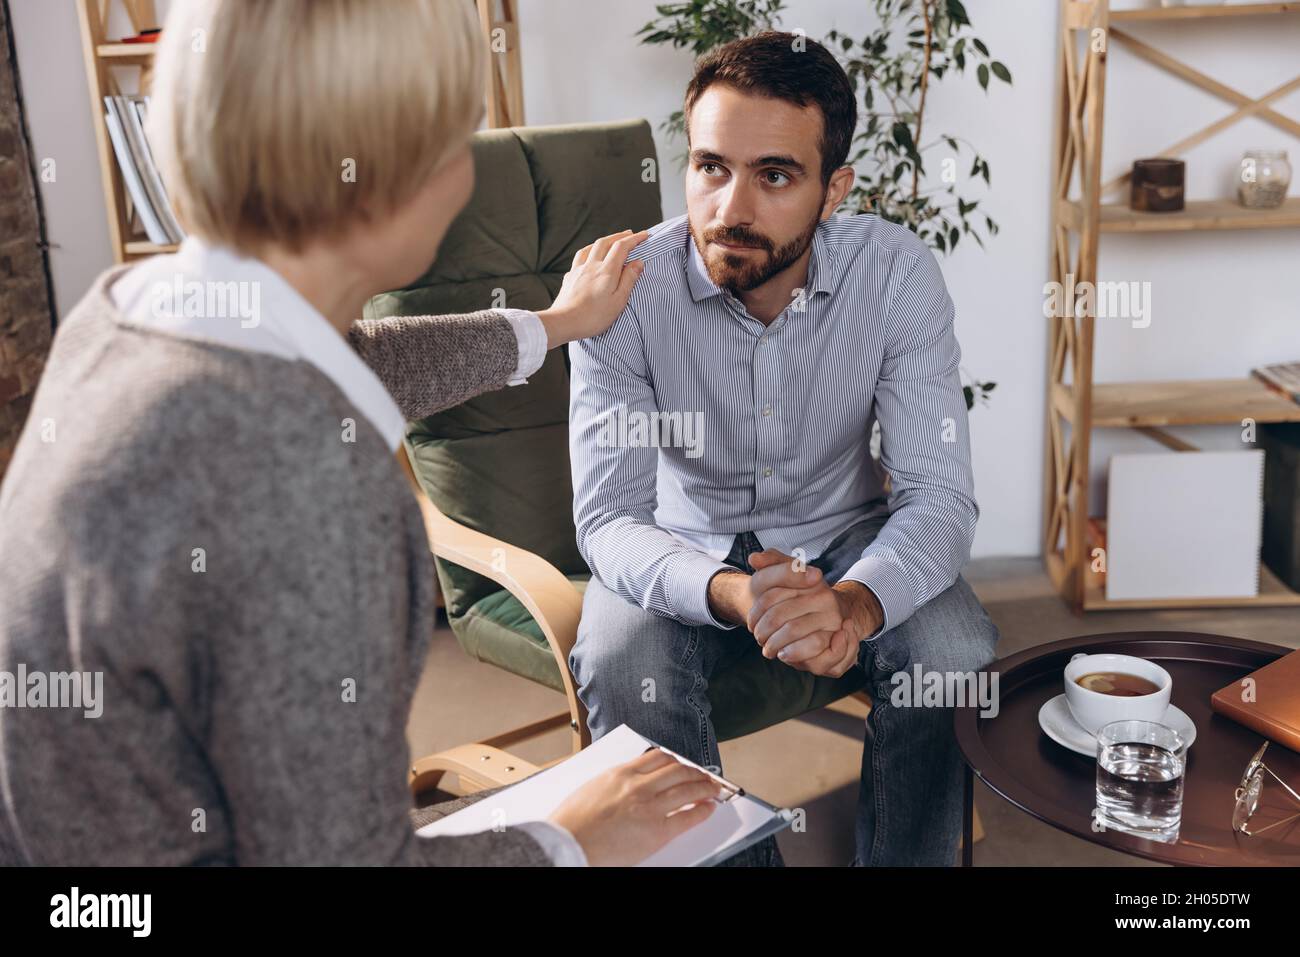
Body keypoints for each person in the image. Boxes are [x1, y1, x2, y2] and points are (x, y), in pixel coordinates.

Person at [0, 0, 721, 867]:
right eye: (457, 141)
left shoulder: (124, 315)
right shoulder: (310, 480)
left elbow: (358, 360)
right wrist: (568, 837)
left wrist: (554, 324)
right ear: (394, 177)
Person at [567, 31, 1002, 867]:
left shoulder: (896, 275)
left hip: (846, 529)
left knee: (956, 657)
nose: (731, 208)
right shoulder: (622, 294)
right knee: (622, 663)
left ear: (834, 189)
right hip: (681, 531)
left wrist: (858, 603)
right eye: (709, 168)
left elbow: (938, 496)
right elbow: (610, 520)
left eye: (774, 175)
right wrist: (734, 592)